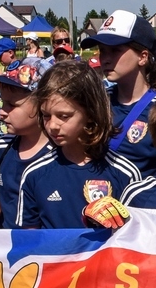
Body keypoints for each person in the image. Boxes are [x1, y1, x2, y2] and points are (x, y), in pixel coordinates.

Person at [13, 60, 141, 230]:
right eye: (46, 115)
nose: (53, 125)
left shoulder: (125, 173)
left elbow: (136, 236)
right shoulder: (34, 174)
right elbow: (28, 239)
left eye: (64, 116)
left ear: (91, 113)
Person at [85, 10, 156, 176]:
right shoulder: (96, 102)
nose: (105, 59)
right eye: (102, 50)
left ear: (142, 57)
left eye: (115, 50)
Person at [0, 65, 46, 228]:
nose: (2, 112)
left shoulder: (60, 154)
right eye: (2, 102)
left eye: (12, 105)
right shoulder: (2, 147)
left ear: (42, 105)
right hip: (5, 241)